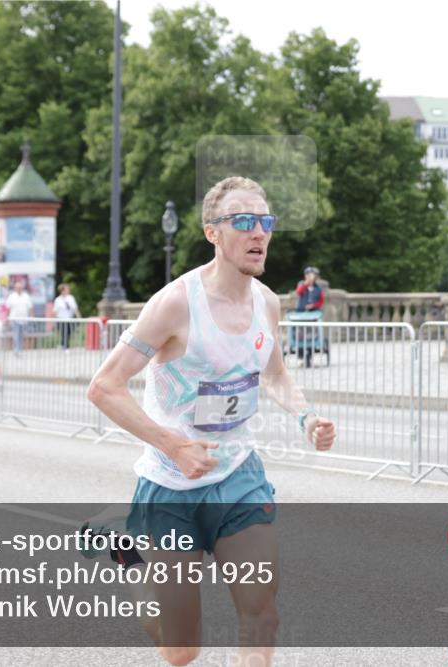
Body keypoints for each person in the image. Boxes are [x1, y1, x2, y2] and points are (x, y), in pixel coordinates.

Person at [87, 176, 336, 667]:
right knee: (180, 650)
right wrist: (173, 445)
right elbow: (104, 386)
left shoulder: (267, 302)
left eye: (265, 221)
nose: (258, 232)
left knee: (261, 616)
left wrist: (305, 415)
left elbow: (277, 373)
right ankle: (131, 559)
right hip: (170, 486)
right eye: (243, 221)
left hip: (238, 478)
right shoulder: (175, 304)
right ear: (212, 233)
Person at [4, 279, 33, 354]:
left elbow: (30, 307)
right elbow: (8, 308)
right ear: (15, 288)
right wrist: (7, 318)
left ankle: (19, 348)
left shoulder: (26, 296)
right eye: (17, 287)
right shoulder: (12, 296)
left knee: (21, 335)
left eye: (20, 287)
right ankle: (17, 349)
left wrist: (31, 317)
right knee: (16, 334)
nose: (19, 289)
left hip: (24, 319)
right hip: (14, 318)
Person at [53, 283, 81, 350]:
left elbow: (75, 308)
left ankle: (64, 345)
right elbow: (55, 311)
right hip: (61, 319)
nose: (68, 290)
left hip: (69, 318)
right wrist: (53, 320)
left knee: (68, 332)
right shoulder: (58, 300)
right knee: (63, 333)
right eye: (66, 289)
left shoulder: (71, 298)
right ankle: (65, 346)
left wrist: (79, 316)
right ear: (62, 290)